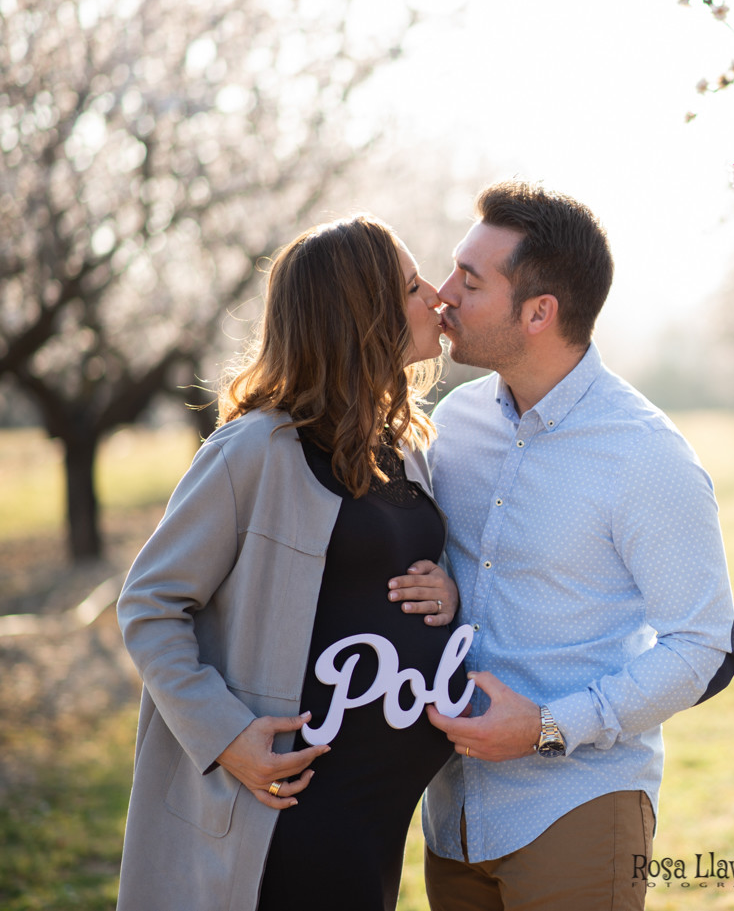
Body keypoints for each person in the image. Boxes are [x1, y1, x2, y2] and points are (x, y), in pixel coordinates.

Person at [116, 215, 470, 911]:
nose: (435, 294)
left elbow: (386, 575)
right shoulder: (250, 453)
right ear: (360, 315)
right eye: (409, 285)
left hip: (375, 814)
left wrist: (448, 592)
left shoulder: (405, 446)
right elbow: (150, 604)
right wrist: (225, 736)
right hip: (285, 810)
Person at [421, 180, 734, 910]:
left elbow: (704, 645)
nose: (443, 295)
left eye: (469, 281)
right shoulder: (454, 424)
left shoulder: (644, 454)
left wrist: (546, 727)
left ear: (539, 312)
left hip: (577, 807)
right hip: (451, 816)